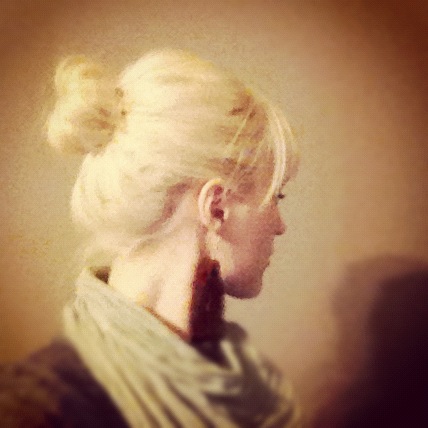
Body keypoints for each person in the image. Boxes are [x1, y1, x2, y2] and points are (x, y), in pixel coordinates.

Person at [0, 49, 300, 427]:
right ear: (216, 208)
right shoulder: (34, 411)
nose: (280, 225)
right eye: (275, 196)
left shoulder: (236, 372)